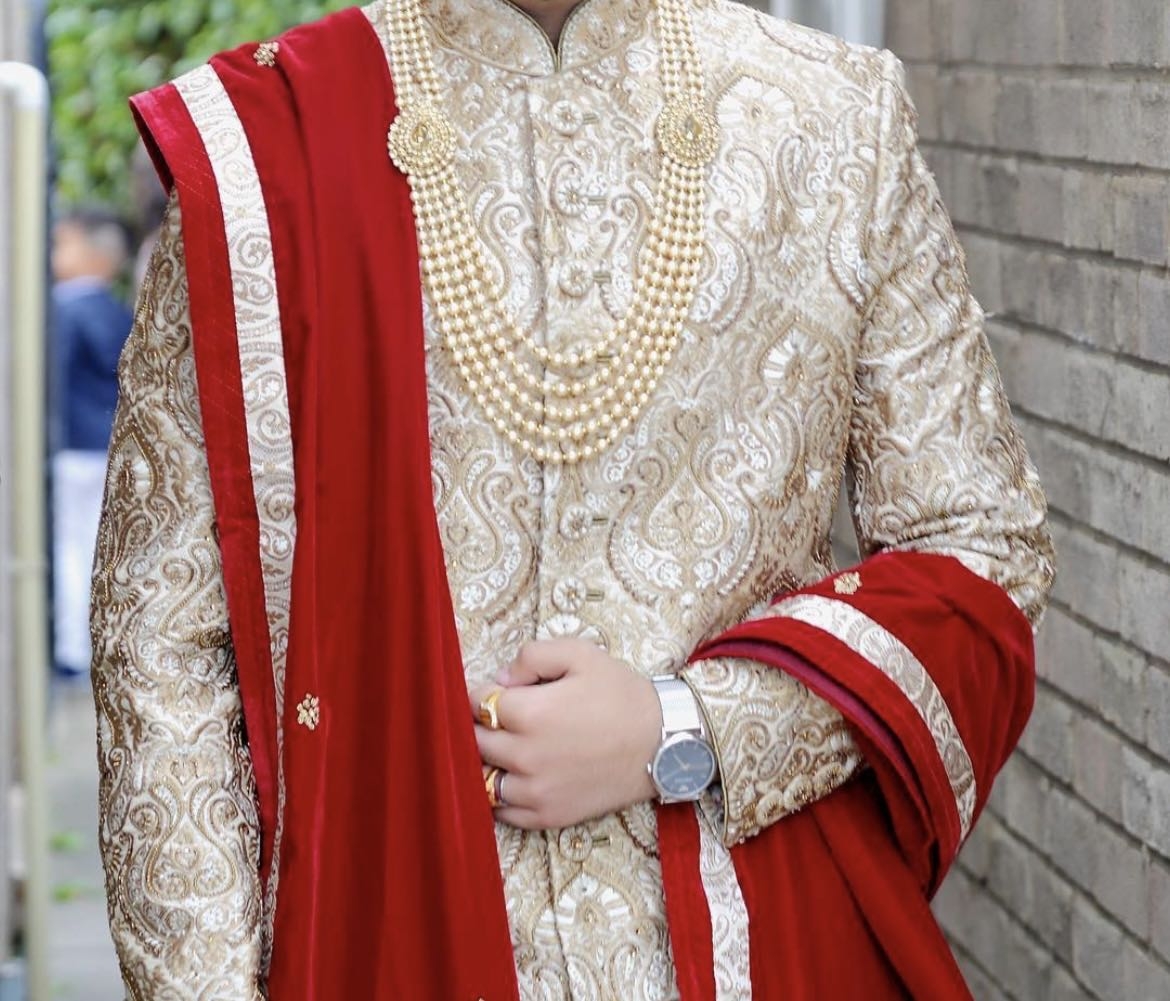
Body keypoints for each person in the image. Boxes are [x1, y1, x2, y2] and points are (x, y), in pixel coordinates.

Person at [90, 0, 1054, 998]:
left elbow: (979, 545)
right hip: (377, 929)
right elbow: (160, 635)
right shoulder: (264, 151)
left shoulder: (833, 115)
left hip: (757, 938)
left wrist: (687, 729)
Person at [49, 205, 133, 675]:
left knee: (68, 547)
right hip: (107, 447)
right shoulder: (118, 311)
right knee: (101, 550)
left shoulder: (62, 310)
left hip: (71, 450)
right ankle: (98, 645)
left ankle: (70, 651)